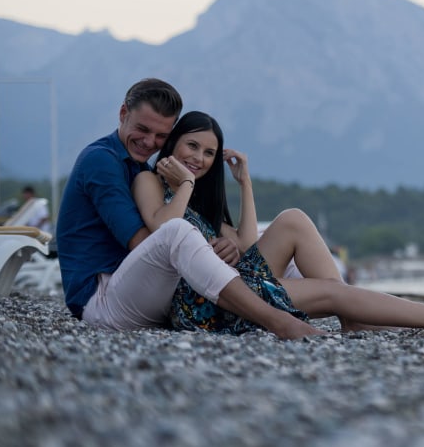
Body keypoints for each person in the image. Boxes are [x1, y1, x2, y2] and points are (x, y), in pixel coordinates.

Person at [132, 110, 424, 333]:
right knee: (333, 291)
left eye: (209, 152)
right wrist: (185, 184)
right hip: (203, 306)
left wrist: (244, 184)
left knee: (292, 218)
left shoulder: (197, 197)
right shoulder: (150, 181)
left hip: (231, 285)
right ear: (173, 144)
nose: (200, 158)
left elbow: (246, 244)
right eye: (192, 146)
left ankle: (354, 316)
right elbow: (164, 231)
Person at [57, 79, 321, 340]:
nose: (149, 142)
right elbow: (148, 243)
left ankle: (342, 306)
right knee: (177, 232)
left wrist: (222, 234)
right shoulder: (102, 160)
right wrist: (189, 192)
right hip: (100, 299)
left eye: (161, 136)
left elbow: (245, 243)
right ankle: (277, 320)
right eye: (143, 129)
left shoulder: (139, 167)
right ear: (123, 113)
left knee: (274, 239)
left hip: (137, 289)